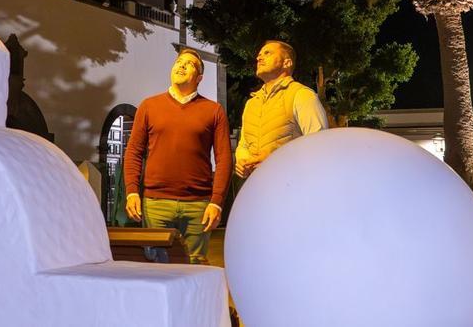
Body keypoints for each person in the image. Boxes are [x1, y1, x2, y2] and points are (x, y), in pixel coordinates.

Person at [122, 48, 232, 264]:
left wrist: (217, 202)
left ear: (199, 78)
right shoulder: (149, 106)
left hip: (198, 205)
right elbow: (134, 151)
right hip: (156, 202)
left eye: (189, 64)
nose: (181, 65)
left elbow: (224, 158)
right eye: (179, 62)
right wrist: (132, 191)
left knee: (195, 265)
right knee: (156, 265)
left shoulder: (213, 111)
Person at [234, 40, 328, 178]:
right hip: (256, 188)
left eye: (267, 53)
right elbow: (243, 144)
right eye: (259, 54)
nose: (259, 58)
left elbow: (320, 145)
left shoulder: (301, 94)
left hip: (291, 188)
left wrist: (276, 159)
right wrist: (242, 160)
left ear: (287, 63)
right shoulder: (251, 103)